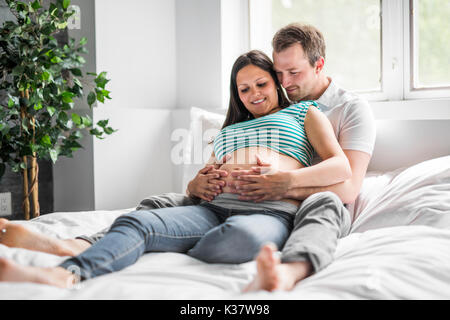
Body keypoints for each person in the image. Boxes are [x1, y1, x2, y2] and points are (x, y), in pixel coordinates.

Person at [0, 49, 351, 288]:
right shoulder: (228, 130)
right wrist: (196, 184)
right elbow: (203, 178)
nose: (254, 94)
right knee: (138, 221)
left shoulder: (304, 113)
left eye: (261, 84)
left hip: (269, 210)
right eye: (244, 89)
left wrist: (286, 181)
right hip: (211, 209)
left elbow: (339, 165)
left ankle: (173, 243)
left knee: (237, 239)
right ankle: (68, 272)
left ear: (276, 83)